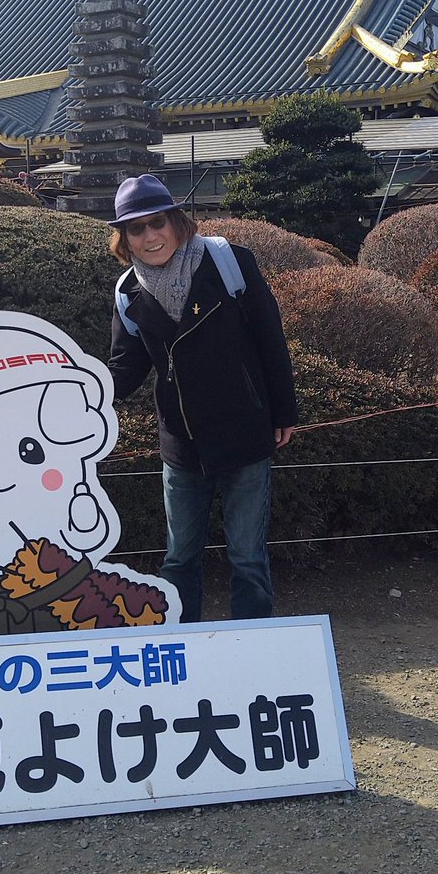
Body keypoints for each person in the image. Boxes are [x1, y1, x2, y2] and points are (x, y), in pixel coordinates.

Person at [106, 174, 298, 622]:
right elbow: (125, 367)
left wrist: (284, 411)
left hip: (244, 428)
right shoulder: (127, 291)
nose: (150, 236)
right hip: (181, 442)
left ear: (176, 222)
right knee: (178, 558)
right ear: (125, 238)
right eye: (136, 228)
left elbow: (270, 340)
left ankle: (252, 641)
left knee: (248, 557)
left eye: (157, 222)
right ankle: (183, 647)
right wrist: (80, 393)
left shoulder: (229, 262)